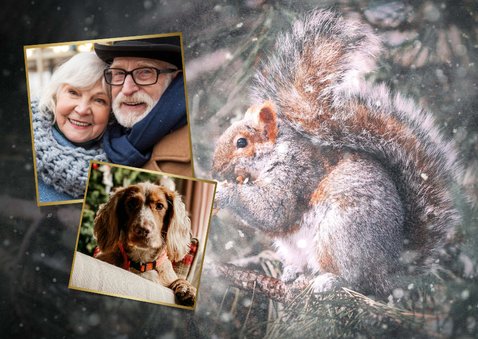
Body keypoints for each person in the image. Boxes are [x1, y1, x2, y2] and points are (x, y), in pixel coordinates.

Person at [94, 36, 192, 177]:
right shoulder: (97, 136)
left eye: (145, 72)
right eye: (119, 73)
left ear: (175, 80)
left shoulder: (196, 145)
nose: (127, 89)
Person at [32, 52, 111, 202]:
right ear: (55, 95)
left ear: (111, 113)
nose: (82, 110)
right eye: (73, 92)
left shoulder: (124, 164)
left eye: (99, 100)